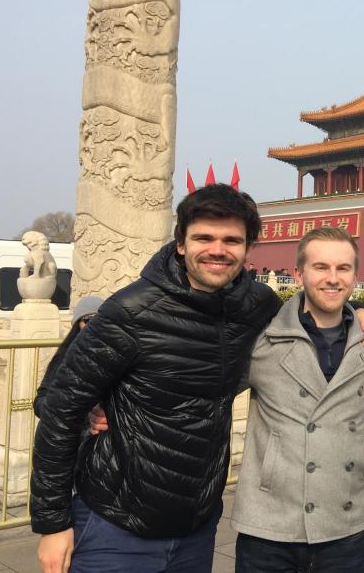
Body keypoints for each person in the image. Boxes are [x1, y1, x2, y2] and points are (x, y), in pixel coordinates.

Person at [30, 184, 284, 573]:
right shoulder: (129, 312)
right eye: (204, 237)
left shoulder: (256, 305)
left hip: (196, 526)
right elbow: (60, 409)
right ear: (181, 243)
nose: (218, 249)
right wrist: (53, 524)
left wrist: (356, 315)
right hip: (114, 524)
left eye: (232, 240)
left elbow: (309, 322)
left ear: (248, 248)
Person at [231, 227, 364, 572]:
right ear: (299, 274)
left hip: (342, 529)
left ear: (355, 275)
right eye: (320, 268)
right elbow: (200, 389)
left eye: (343, 269)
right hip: (269, 527)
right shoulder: (264, 340)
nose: (332, 279)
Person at [33, 295, 104, 418]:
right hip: (70, 429)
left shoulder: (117, 355)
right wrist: (62, 406)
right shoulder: (65, 356)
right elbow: (40, 401)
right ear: (78, 324)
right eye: (88, 320)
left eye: (99, 320)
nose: (93, 326)